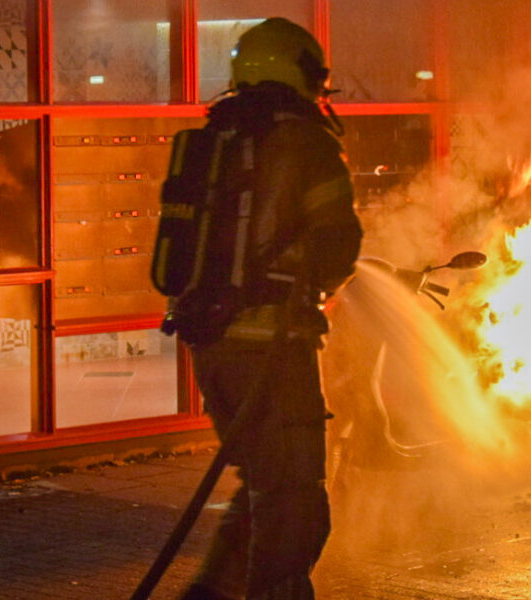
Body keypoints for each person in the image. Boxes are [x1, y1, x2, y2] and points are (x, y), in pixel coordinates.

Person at [179, 17, 363, 600]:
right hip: (273, 351)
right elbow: (339, 247)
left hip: (211, 348)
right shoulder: (305, 142)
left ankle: (214, 593)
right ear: (298, 69)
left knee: (264, 480)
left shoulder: (215, 138)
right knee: (294, 499)